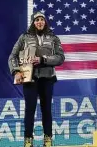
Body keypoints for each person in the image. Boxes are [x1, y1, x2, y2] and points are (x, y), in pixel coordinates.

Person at [8, 12, 65, 147]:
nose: (40, 22)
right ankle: (28, 140)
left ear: (45, 22)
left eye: (42, 20)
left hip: (47, 78)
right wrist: (16, 71)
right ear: (33, 22)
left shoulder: (53, 38)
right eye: (37, 20)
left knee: (46, 110)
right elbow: (12, 56)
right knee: (30, 109)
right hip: (30, 79)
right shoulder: (24, 37)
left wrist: (43, 59)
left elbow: (61, 58)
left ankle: (48, 140)